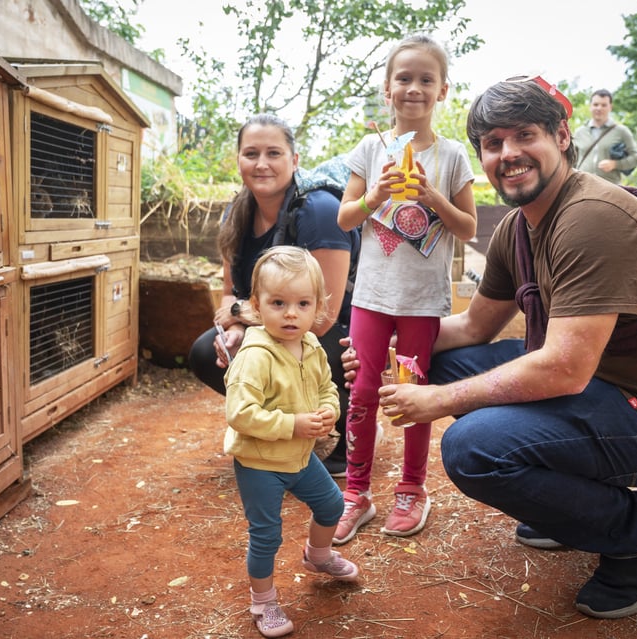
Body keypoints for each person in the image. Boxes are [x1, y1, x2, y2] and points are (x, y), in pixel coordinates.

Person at [352, 76, 637, 618]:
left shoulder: (594, 218)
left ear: (562, 136)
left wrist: (441, 400)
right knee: (435, 358)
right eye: (493, 144)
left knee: (475, 448)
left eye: (524, 136)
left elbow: (563, 368)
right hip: (600, 383)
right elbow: (471, 330)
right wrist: (383, 355)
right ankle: (571, 506)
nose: (508, 154)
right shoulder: (518, 228)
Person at [333, 34, 477, 544]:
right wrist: (376, 194)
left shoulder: (453, 155)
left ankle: (412, 488)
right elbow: (345, 216)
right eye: (403, 78)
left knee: (414, 395)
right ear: (387, 89)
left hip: (421, 303)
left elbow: (467, 228)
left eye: (425, 80)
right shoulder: (371, 149)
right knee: (363, 392)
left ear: (442, 91)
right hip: (371, 296)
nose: (413, 88)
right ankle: (355, 493)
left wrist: (432, 195)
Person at [188, 113, 360, 478]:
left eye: (274, 153)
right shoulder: (236, 213)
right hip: (271, 323)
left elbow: (322, 314)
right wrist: (231, 331)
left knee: (311, 343)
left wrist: (239, 318)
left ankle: (343, 433)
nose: (262, 164)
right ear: (238, 160)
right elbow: (228, 294)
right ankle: (283, 425)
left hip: (337, 332)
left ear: (294, 161)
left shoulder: (319, 211)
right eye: (251, 153)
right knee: (208, 352)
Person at [224, 246, 360, 638]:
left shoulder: (312, 345)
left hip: (299, 457)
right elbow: (240, 414)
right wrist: (294, 424)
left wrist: (329, 411)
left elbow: (327, 388)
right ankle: (263, 602)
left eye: (302, 303)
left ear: (317, 306)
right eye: (278, 302)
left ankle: (318, 557)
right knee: (266, 534)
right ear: (255, 305)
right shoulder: (255, 357)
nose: (290, 313)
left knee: (332, 503)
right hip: (259, 462)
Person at [572, 89, 637, 184]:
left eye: (604, 105)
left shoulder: (621, 131)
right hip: (582, 186)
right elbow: (571, 161)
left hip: (610, 188)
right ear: (590, 106)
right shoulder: (580, 132)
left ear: (610, 107)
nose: (599, 108)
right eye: (596, 104)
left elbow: (635, 158)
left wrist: (615, 164)